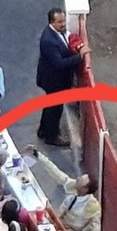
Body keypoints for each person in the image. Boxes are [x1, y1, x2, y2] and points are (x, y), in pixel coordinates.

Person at [34, 8, 88, 147]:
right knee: (55, 109)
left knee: (50, 105)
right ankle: (51, 136)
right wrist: (79, 56)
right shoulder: (48, 40)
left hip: (53, 78)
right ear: (51, 22)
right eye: (59, 22)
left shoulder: (56, 34)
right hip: (53, 80)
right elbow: (59, 63)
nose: (63, 24)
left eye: (63, 21)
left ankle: (43, 130)